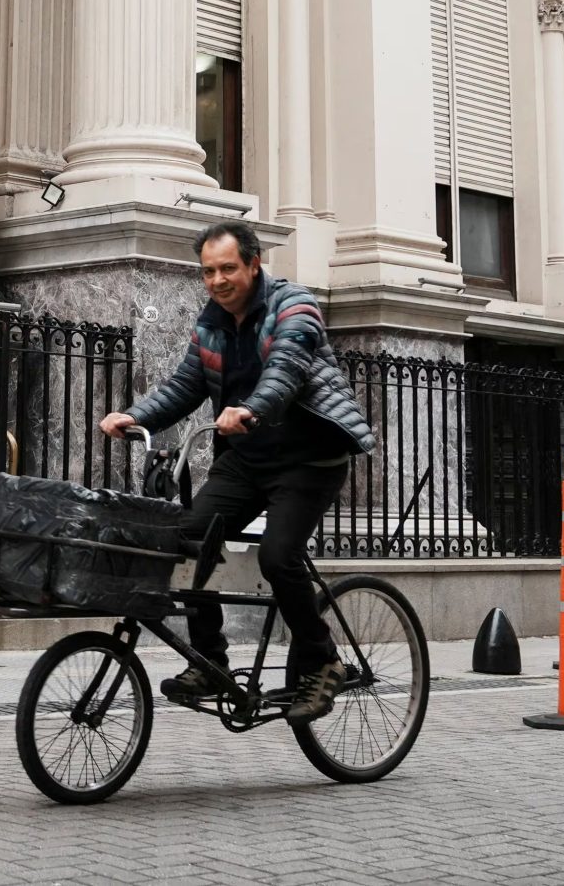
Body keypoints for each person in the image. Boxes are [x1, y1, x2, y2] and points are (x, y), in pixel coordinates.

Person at [99, 221, 374, 721]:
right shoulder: (210, 324)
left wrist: (251, 408)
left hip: (309, 459)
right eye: (208, 272)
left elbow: (286, 370)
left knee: (278, 557)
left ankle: (323, 661)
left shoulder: (295, 306)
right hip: (248, 461)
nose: (218, 280)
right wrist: (136, 416)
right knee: (186, 540)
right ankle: (209, 661)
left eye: (228, 268)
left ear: (254, 264)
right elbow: (184, 387)